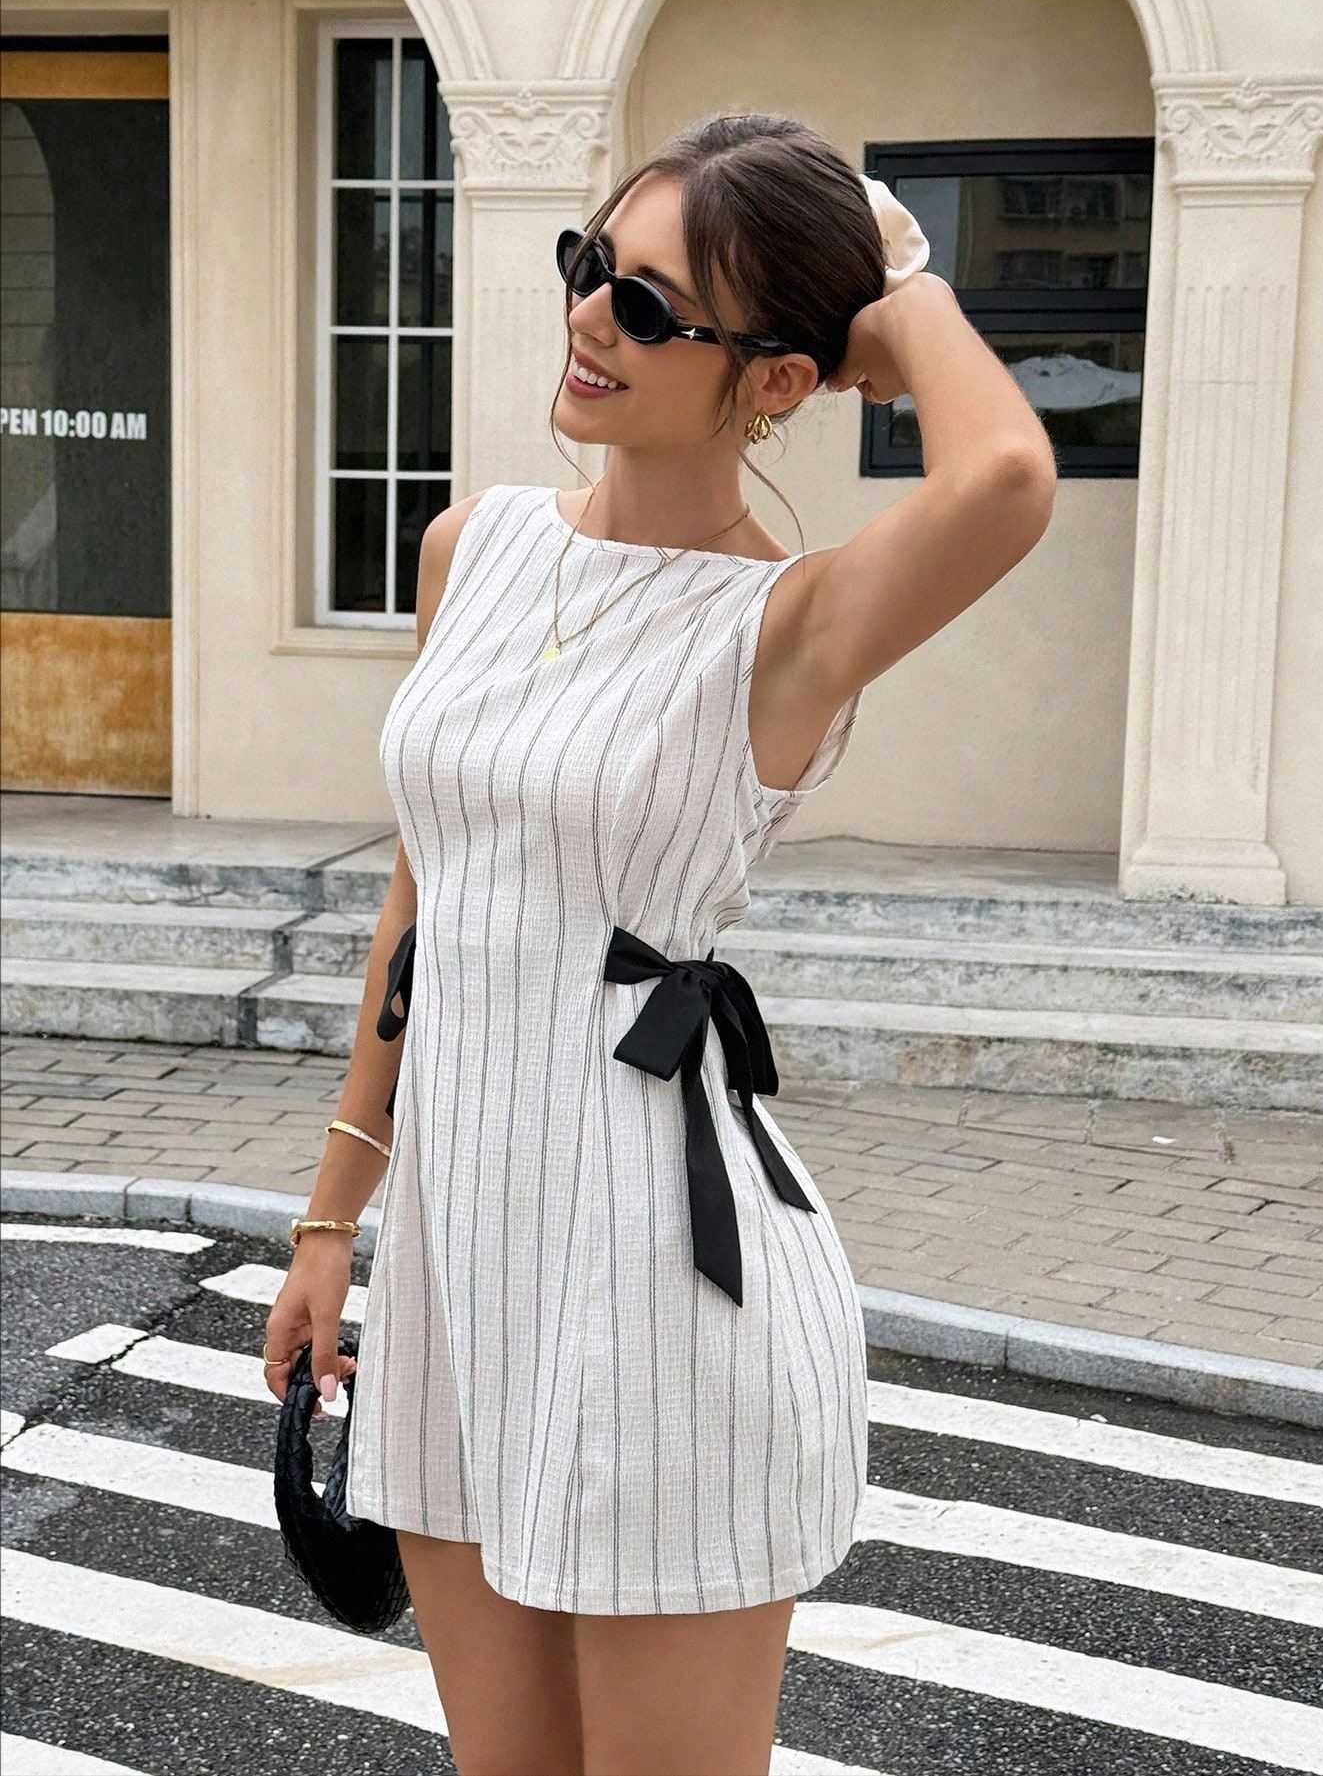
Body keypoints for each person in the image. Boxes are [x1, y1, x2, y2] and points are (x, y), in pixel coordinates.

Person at [262, 110, 1056, 1776]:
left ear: (775, 379)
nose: (587, 319)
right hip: (462, 1260)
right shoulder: (472, 547)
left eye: (647, 305)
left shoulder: (787, 624)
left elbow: (1002, 478)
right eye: (588, 267)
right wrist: (334, 1216)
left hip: (656, 1286)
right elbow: (422, 897)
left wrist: (898, 289)